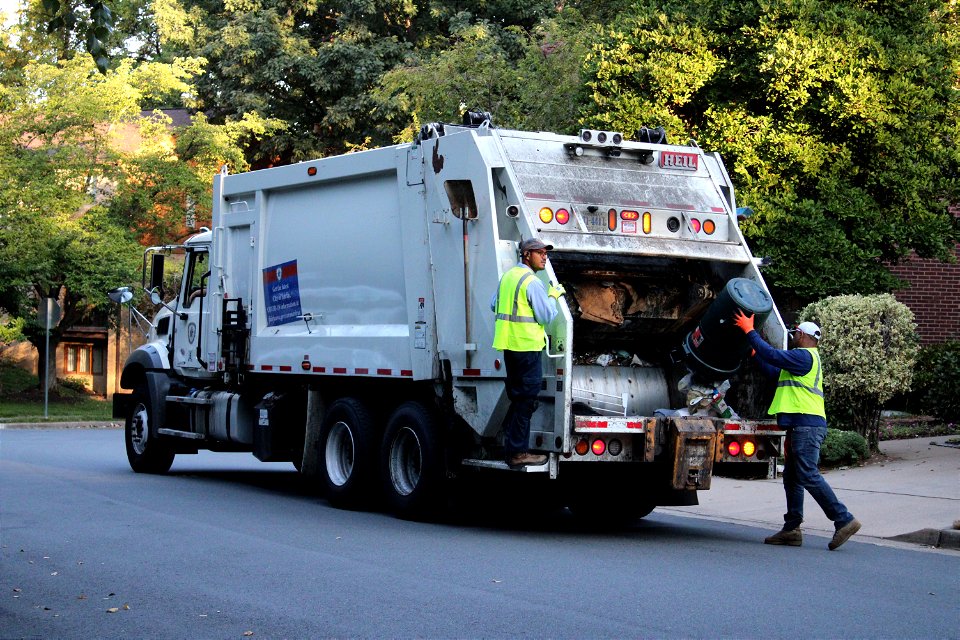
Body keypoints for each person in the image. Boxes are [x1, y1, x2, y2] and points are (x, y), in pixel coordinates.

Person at [733, 310, 861, 550]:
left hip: (807, 426)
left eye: (794, 334)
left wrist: (749, 330)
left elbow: (773, 355)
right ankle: (791, 529)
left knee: (807, 474)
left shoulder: (804, 357)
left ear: (801, 335)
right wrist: (754, 353)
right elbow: (773, 372)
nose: (792, 337)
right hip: (800, 426)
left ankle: (844, 519)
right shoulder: (802, 361)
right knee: (792, 477)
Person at [491, 238, 565, 469]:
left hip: (510, 346)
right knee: (526, 401)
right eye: (539, 253)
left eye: (545, 253)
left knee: (518, 399)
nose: (544, 257)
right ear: (526, 255)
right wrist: (553, 295)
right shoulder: (532, 282)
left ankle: (512, 450)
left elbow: (494, 305)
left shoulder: (508, 277)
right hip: (527, 348)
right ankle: (517, 453)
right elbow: (546, 316)